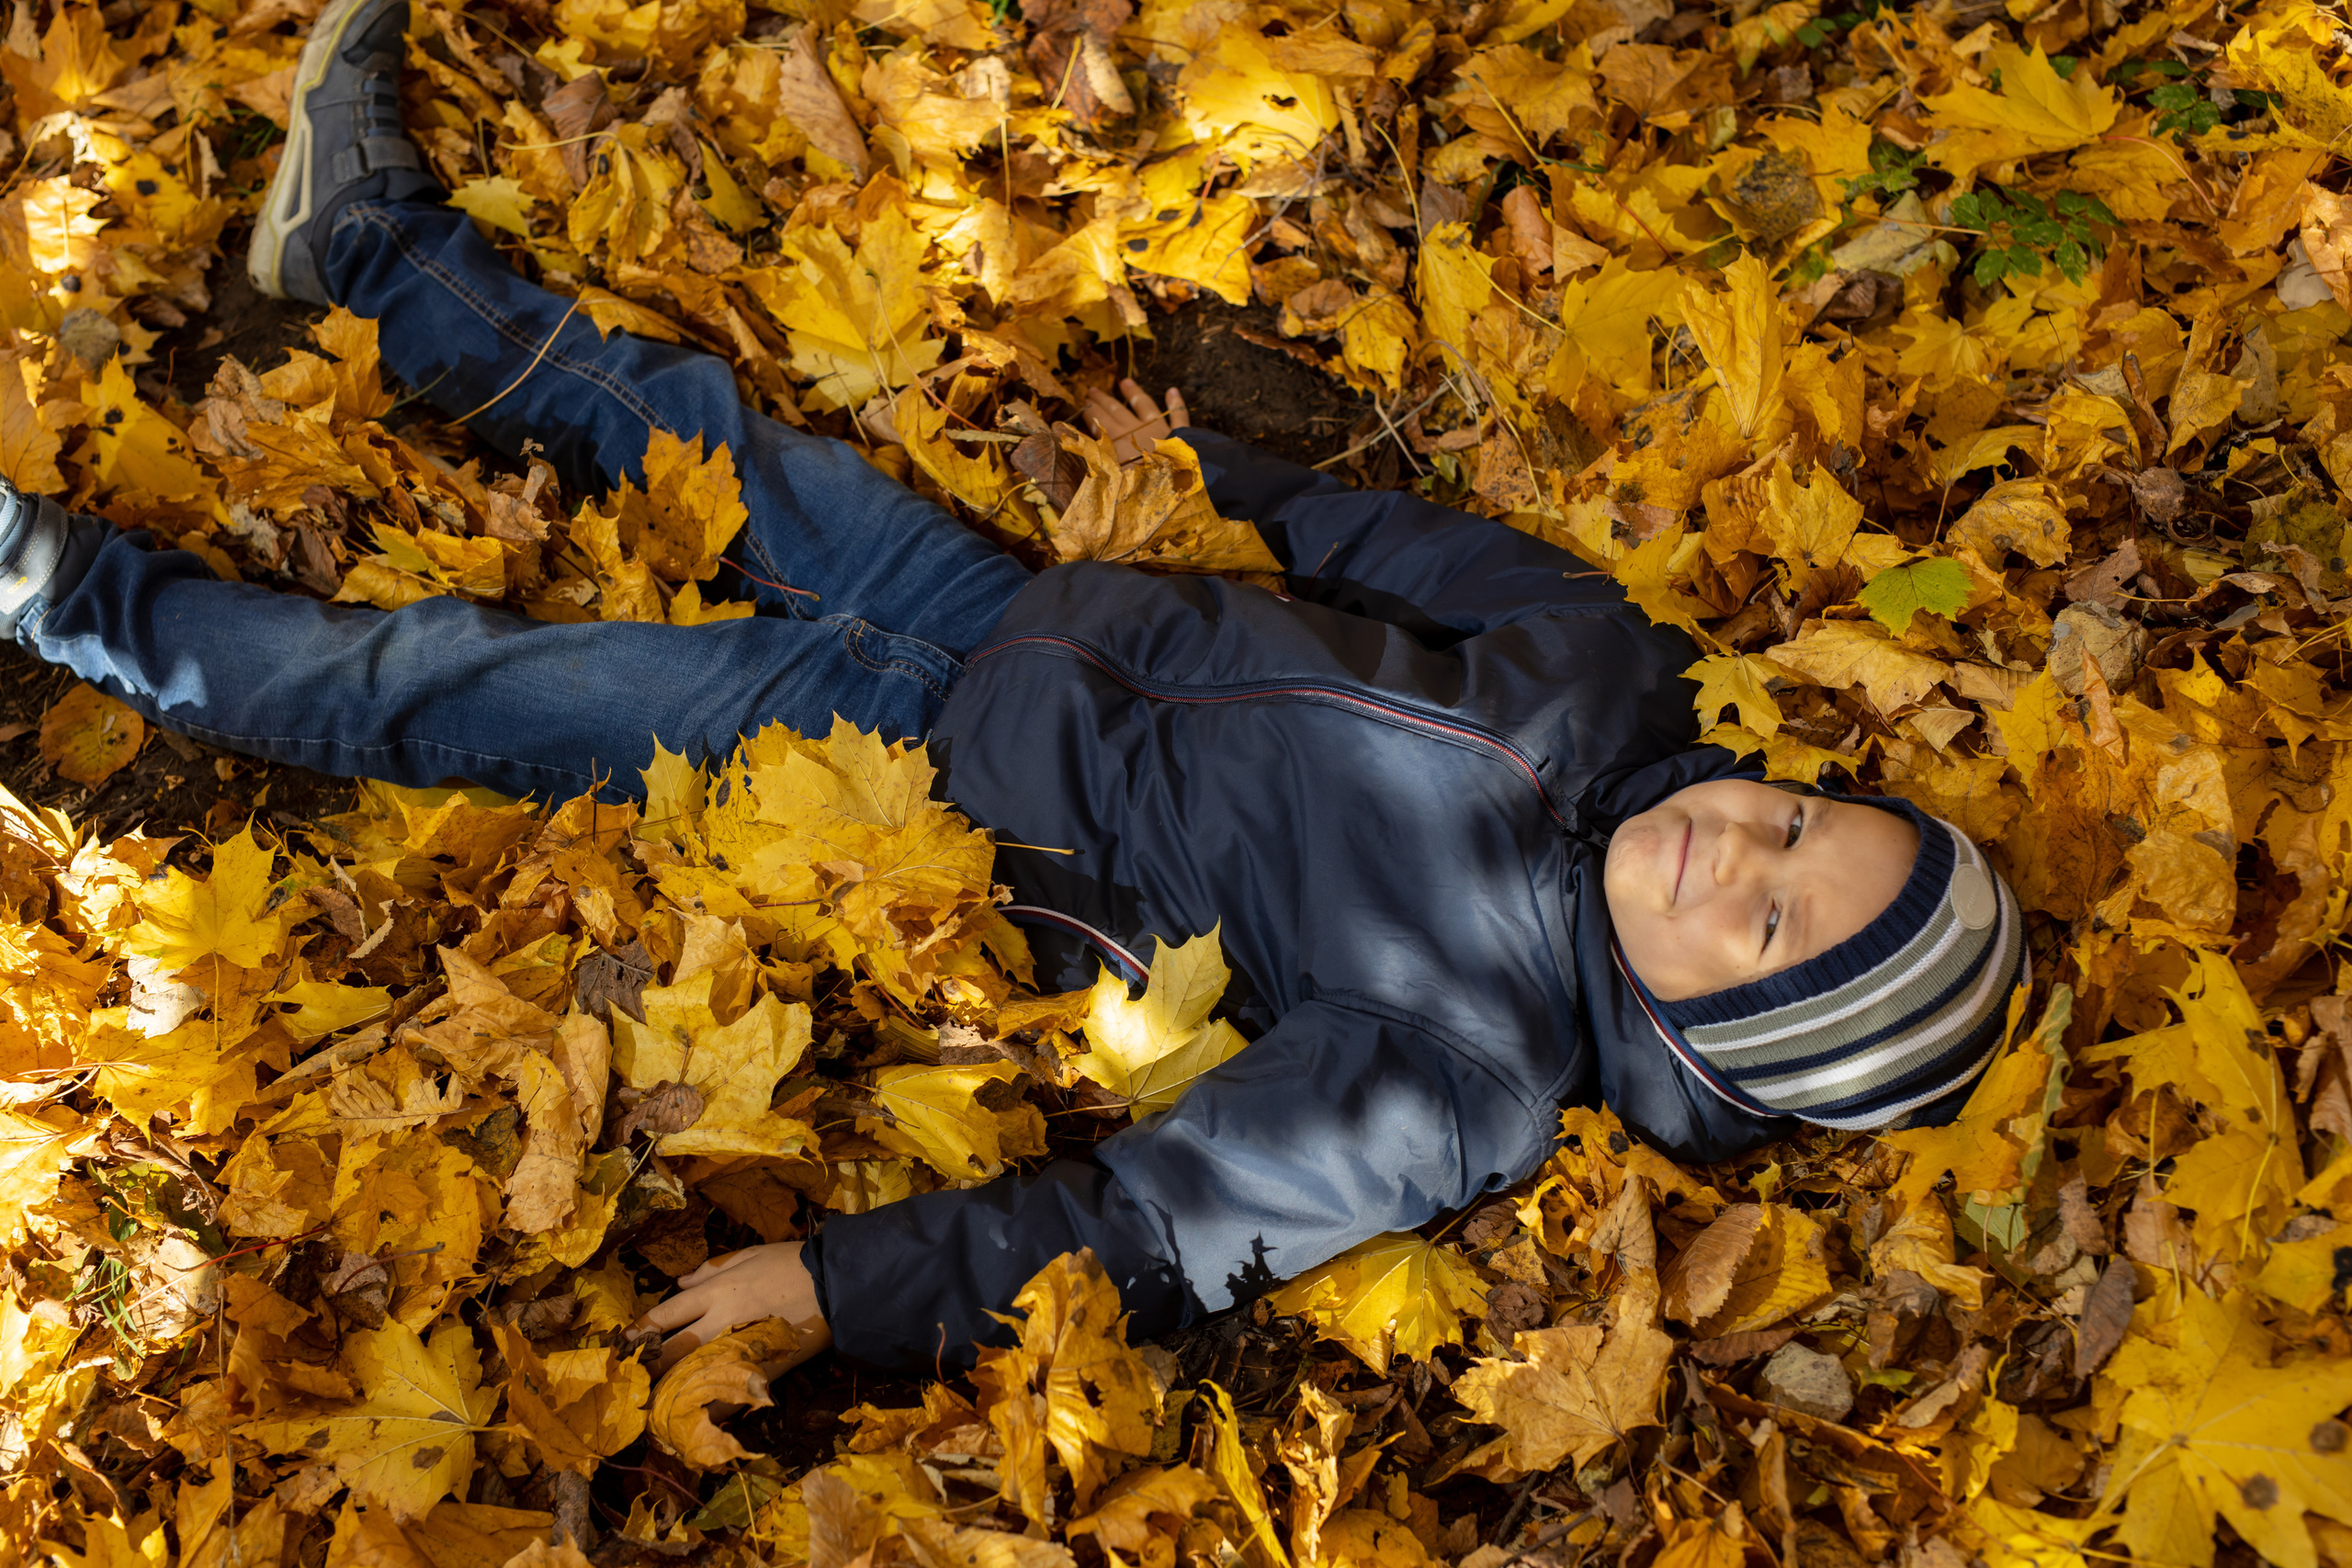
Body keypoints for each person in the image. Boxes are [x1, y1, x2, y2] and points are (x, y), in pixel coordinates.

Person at [0, 0, 2028, 1376]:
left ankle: (68, 594)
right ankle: (368, 246)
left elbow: (1158, 1224)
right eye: (1794, 819)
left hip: (912, 777)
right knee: (670, 413)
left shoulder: (1464, 1072)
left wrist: (842, 1283)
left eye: (1767, 923)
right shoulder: (1613, 687)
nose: (1733, 848)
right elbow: (1420, 557)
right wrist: (1216, 482)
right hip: (1011, 610)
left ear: (1721, 1035)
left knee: (465, 680)